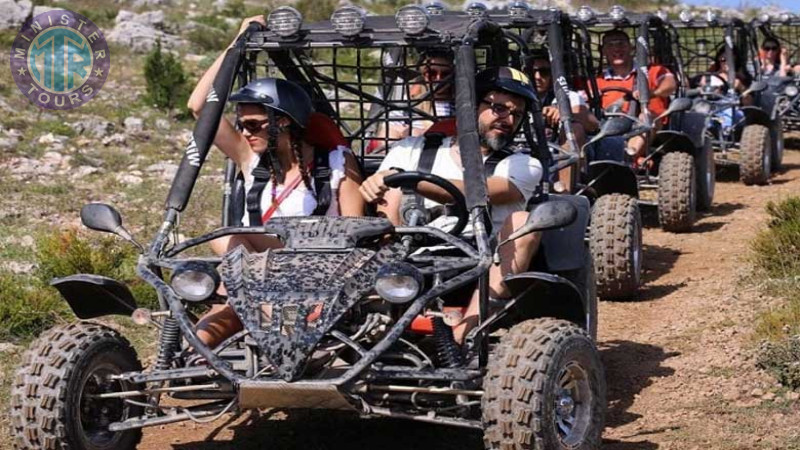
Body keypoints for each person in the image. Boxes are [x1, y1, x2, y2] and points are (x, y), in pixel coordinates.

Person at [186, 16, 365, 349]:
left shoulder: (336, 164)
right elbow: (200, 107)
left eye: (254, 125)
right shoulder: (252, 162)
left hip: (319, 272)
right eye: (242, 125)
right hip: (256, 277)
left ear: (283, 121)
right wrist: (238, 42)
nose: (246, 133)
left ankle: (283, 329)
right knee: (226, 243)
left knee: (234, 242)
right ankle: (192, 363)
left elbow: (354, 233)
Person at [359, 67, 543, 343]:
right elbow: (382, 200)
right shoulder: (410, 150)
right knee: (389, 198)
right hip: (411, 257)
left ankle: (467, 330)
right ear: (470, 106)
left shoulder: (523, 164)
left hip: (482, 262)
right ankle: (379, 314)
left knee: (524, 222)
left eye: (516, 114)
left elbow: (476, 192)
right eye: (499, 109)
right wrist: (375, 184)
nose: (508, 120)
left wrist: (401, 178)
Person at [594, 29, 677, 163]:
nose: (616, 48)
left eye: (621, 44)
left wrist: (651, 93)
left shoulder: (652, 70)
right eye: (610, 45)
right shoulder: (596, 81)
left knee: (645, 117)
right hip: (608, 126)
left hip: (648, 125)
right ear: (603, 51)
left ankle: (629, 156)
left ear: (631, 48)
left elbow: (670, 84)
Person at [526, 49, 599, 190]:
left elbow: (593, 124)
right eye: (531, 71)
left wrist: (566, 114)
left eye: (544, 72)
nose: (537, 76)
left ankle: (564, 190)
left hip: (559, 154)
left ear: (552, 75)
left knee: (574, 127)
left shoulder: (568, 96)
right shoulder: (516, 98)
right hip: (524, 151)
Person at [371, 49, 455, 151]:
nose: (438, 79)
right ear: (423, 74)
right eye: (432, 73)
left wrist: (414, 133)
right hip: (410, 156)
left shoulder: (460, 105)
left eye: (445, 74)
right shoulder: (409, 102)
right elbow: (387, 135)